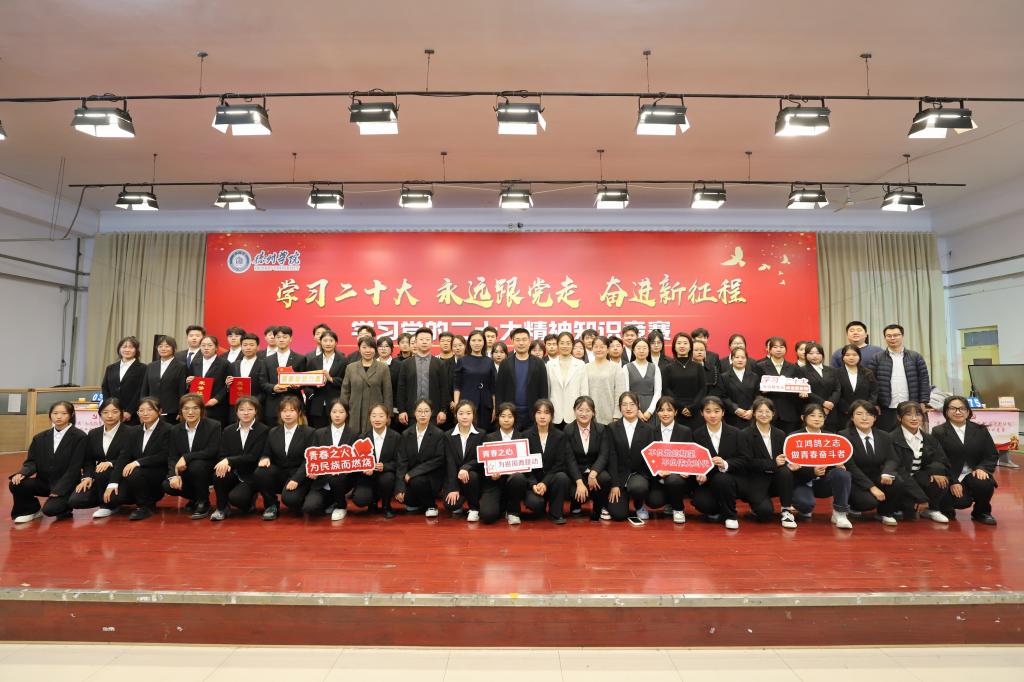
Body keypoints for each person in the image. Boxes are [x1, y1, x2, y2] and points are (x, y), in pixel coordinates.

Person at [8, 401, 87, 523]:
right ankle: (31, 510)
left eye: (63, 413)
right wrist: (22, 473)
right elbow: (32, 462)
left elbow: (74, 468)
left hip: (66, 485)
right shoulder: (40, 438)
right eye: (55, 413)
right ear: (50, 415)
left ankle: (65, 508)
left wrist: (59, 489)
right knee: (16, 483)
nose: (59, 417)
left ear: (71, 415)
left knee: (50, 510)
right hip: (44, 483)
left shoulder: (80, 437)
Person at [930, 395, 999, 525]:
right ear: (946, 411)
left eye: (962, 408)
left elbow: (991, 454)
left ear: (968, 411)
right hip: (951, 475)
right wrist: (953, 482)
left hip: (972, 473)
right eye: (953, 408)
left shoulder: (980, 430)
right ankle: (945, 508)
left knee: (984, 483)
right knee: (961, 502)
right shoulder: (938, 432)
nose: (958, 412)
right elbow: (939, 459)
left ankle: (982, 512)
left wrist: (982, 468)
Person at [105, 397, 173, 520]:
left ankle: (145, 506)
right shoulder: (134, 431)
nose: (145, 413)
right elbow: (124, 457)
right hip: (137, 475)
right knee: (114, 498)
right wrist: (112, 483)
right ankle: (139, 498)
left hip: (158, 473)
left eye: (150, 410)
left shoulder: (168, 429)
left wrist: (138, 462)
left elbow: (165, 455)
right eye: (141, 410)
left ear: (159, 411)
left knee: (135, 472)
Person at [70, 398, 138, 518]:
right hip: (100, 477)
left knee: (106, 476)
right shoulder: (93, 433)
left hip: (122, 475)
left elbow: (132, 457)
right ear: (100, 414)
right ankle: (105, 499)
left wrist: (111, 463)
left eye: (115, 412)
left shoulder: (131, 432)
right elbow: (89, 460)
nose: (110, 415)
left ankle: (107, 505)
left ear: (121, 413)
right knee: (76, 500)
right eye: (105, 412)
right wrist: (87, 476)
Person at [790, 404, 854, 529]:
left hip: (824, 482)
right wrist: (812, 471)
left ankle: (840, 513)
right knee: (805, 505)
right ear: (803, 418)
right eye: (812, 415)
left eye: (820, 416)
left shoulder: (831, 437)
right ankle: (802, 507)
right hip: (802, 481)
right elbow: (791, 467)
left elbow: (837, 458)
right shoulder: (794, 437)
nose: (817, 419)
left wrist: (838, 464)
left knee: (842, 474)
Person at [841, 399, 905, 526]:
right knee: (868, 502)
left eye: (869, 414)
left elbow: (892, 459)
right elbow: (850, 466)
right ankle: (853, 506)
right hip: (856, 481)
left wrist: (887, 473)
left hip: (877, 476)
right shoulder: (844, 436)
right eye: (859, 414)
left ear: (875, 418)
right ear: (852, 417)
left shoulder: (884, 436)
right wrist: (872, 487)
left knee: (896, 480)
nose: (864, 418)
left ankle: (885, 513)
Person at [691, 396, 751, 529]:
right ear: (701, 413)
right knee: (702, 503)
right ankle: (719, 509)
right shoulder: (697, 434)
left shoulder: (736, 433)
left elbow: (745, 459)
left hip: (732, 478)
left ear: (723, 412)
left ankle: (731, 516)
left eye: (717, 411)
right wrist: (700, 473)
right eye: (708, 411)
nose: (712, 415)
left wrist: (726, 464)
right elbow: (695, 460)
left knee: (722, 479)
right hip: (708, 480)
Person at [889, 401, 953, 524]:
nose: (914, 418)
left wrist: (936, 471)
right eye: (909, 414)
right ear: (899, 417)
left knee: (940, 478)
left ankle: (932, 509)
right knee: (908, 513)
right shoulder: (891, 438)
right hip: (900, 480)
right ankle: (905, 506)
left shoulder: (929, 438)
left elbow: (940, 459)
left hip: (918, 478)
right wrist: (922, 498)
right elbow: (899, 470)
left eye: (918, 414)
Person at [740, 397, 800, 528]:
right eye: (760, 411)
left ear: (773, 414)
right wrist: (773, 463)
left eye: (767, 411)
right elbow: (746, 463)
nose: (764, 414)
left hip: (776, 478)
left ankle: (786, 510)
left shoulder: (780, 434)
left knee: (785, 472)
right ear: (754, 413)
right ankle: (756, 506)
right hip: (756, 480)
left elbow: (784, 458)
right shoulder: (745, 434)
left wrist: (789, 464)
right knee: (765, 513)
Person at [254, 396, 316, 520]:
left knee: (291, 500)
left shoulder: (309, 432)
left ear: (299, 412)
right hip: (280, 473)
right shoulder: (273, 432)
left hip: (299, 475)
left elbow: (309, 460)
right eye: (284, 411)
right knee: (260, 472)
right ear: (280, 413)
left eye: (292, 410)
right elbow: (266, 452)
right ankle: (271, 505)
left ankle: (303, 498)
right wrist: (265, 458)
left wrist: (296, 479)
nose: (288, 414)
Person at [509, 399, 571, 524]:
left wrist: (545, 483)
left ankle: (556, 513)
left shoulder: (560, 436)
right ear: (534, 415)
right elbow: (524, 465)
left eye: (546, 413)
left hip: (551, 481)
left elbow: (560, 464)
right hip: (533, 483)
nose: (542, 416)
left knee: (562, 477)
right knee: (536, 504)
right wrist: (533, 484)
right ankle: (536, 505)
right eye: (539, 412)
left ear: (551, 416)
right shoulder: (525, 435)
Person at [162, 393, 222, 520]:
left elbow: (211, 451)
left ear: (201, 410)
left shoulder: (214, 425)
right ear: (181, 411)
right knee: (168, 485)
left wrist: (186, 457)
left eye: (195, 408)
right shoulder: (175, 430)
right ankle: (195, 497)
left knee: (197, 465)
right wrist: (173, 475)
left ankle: (203, 502)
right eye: (186, 408)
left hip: (207, 468)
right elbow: (173, 456)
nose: (190, 412)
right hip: (185, 470)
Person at [210, 396, 269, 521]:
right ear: (236, 412)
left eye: (250, 409)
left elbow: (254, 456)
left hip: (250, 475)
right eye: (242, 409)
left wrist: (230, 460)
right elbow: (222, 454)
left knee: (237, 499)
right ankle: (221, 508)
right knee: (218, 473)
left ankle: (250, 501)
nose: (246, 413)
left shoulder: (263, 430)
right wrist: (226, 463)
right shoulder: (228, 430)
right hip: (233, 471)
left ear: (256, 411)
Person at [865, 324, 932, 431]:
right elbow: (871, 383)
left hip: (910, 405)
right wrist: (874, 403)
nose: (892, 338)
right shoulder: (877, 358)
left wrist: (923, 401)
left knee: (910, 435)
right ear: (885, 338)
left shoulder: (915, 356)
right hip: (885, 407)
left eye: (896, 335)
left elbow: (924, 379)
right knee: (887, 436)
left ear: (902, 336)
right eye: (889, 336)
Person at [605, 391, 659, 522]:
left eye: (632, 404)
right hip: (619, 476)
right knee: (618, 515)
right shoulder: (611, 428)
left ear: (638, 406)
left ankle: (639, 504)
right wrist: (614, 484)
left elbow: (651, 456)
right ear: (619, 408)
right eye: (624, 405)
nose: (628, 408)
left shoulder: (648, 429)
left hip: (639, 474)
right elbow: (611, 457)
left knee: (638, 487)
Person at [305, 398, 358, 521]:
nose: (337, 415)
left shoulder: (354, 434)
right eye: (334, 412)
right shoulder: (319, 433)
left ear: (347, 414)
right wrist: (312, 469)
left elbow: (355, 461)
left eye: (341, 412)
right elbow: (313, 456)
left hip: (343, 480)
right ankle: (331, 500)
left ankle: (341, 505)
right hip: (322, 480)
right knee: (310, 508)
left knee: (336, 478)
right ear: (329, 413)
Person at [563, 396, 613, 521]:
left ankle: (599, 506)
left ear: (593, 412)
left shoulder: (601, 429)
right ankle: (576, 503)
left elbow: (603, 455)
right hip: (577, 471)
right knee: (569, 485)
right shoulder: (568, 430)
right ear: (574, 411)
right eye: (580, 410)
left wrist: (593, 473)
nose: (584, 414)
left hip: (594, 469)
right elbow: (569, 459)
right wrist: (579, 482)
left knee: (605, 478)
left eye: (588, 410)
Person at [395, 399, 446, 518]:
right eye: (419, 411)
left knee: (417, 481)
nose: (423, 414)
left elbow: (439, 459)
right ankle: (420, 502)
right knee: (404, 497)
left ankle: (431, 506)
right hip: (411, 479)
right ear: (414, 413)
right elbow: (402, 462)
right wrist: (400, 487)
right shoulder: (406, 434)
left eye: (426, 411)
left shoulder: (438, 434)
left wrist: (412, 473)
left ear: (431, 413)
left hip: (431, 477)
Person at [478, 402, 524, 524]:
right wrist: (491, 475)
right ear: (498, 417)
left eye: (510, 416)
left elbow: (526, 464)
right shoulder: (489, 438)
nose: (506, 420)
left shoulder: (522, 437)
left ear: (515, 418)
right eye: (503, 416)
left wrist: (517, 471)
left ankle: (513, 511)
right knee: (487, 516)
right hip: (494, 484)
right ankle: (502, 507)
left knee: (518, 478)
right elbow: (483, 465)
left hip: (514, 482)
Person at [351, 403, 400, 518]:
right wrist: (363, 468)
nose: (377, 419)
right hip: (367, 478)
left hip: (386, 476)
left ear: (387, 418)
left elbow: (399, 462)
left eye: (381, 416)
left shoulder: (396, 437)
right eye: (373, 416)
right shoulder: (362, 438)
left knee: (387, 478)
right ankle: (372, 503)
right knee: (360, 499)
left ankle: (386, 506)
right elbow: (355, 462)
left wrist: (385, 466)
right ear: (369, 418)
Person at [495, 328, 550, 430]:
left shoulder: (539, 363)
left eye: (524, 339)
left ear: (529, 342)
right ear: (512, 342)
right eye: (518, 340)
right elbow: (499, 391)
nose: (521, 343)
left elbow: (543, 390)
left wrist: (542, 411)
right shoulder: (505, 363)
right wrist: (500, 412)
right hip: (510, 413)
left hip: (532, 413)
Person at [651, 396, 694, 524]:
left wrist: (686, 470)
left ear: (675, 412)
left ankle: (678, 508)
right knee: (653, 501)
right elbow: (649, 458)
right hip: (659, 478)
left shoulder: (686, 431)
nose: (665, 413)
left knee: (674, 480)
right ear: (657, 413)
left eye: (669, 410)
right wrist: (658, 470)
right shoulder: (651, 432)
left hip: (678, 478)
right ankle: (669, 502)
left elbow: (690, 456)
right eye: (661, 410)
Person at [397, 327, 451, 428]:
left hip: (434, 414)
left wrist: (443, 411)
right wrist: (402, 410)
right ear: (416, 342)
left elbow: (444, 389)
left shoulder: (439, 364)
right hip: (411, 413)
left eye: (427, 339)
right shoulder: (406, 364)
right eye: (421, 339)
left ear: (432, 342)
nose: (424, 342)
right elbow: (401, 389)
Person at [443, 400, 487, 520]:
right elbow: (450, 462)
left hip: (474, 479)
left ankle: (474, 508)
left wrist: (466, 467)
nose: (464, 417)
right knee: (450, 505)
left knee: (471, 475)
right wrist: (453, 488)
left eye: (468, 413)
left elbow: (481, 459)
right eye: (461, 413)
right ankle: (462, 498)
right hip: (456, 478)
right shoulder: (448, 435)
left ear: (473, 415)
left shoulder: (481, 434)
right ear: (455, 415)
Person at [341, 336, 393, 434]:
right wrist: (344, 411)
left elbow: (387, 393)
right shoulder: (351, 368)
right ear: (359, 349)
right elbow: (345, 392)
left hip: (375, 413)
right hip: (354, 411)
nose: (368, 350)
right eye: (364, 347)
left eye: (371, 347)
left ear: (375, 349)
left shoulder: (383, 368)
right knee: (353, 437)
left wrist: (388, 414)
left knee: (372, 437)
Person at [753, 337, 802, 433]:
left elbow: (798, 386)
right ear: (769, 350)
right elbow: (755, 386)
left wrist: (802, 391)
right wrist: (762, 389)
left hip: (789, 411)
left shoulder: (793, 368)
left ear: (786, 349)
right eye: (775, 347)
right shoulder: (760, 366)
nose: (778, 349)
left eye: (781, 347)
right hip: (767, 411)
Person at [261, 325, 307, 426]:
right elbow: (263, 382)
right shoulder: (266, 360)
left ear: (291, 339)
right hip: (273, 405)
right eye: (278, 337)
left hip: (294, 404)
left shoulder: (300, 358)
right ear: (274, 339)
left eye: (285, 337)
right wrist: (273, 388)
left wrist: (298, 385)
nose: (281, 340)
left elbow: (304, 381)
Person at [662, 332, 707, 431]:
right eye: (679, 343)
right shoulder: (668, 368)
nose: (682, 346)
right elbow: (666, 389)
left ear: (690, 347)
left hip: (695, 410)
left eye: (685, 343)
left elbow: (703, 389)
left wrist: (692, 407)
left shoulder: (698, 367)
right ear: (674, 347)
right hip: (676, 411)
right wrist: (680, 407)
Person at [452, 330, 497, 430]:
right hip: (467, 403)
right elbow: (457, 385)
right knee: (468, 430)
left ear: (484, 342)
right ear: (469, 343)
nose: (477, 343)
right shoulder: (462, 360)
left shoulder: (489, 361)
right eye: (474, 340)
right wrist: (457, 405)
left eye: (480, 340)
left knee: (485, 431)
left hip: (486, 404)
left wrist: (495, 407)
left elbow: (493, 387)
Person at [140, 335, 188, 423]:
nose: (163, 349)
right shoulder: (151, 366)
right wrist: (142, 408)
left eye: (167, 346)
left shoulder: (181, 366)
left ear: (174, 348)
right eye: (160, 346)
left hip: (172, 411)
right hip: (151, 410)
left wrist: (181, 410)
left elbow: (182, 391)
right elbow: (144, 389)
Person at [305, 330, 347, 429]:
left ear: (336, 342)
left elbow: (346, 382)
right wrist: (313, 388)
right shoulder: (313, 361)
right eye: (325, 340)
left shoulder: (343, 361)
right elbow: (307, 382)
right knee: (318, 432)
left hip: (336, 404)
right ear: (320, 342)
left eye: (331, 341)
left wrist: (331, 379)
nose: (328, 343)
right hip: (317, 404)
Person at [547, 331, 589, 428]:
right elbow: (548, 391)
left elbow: (584, 391)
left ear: (572, 345)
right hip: (555, 414)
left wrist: (583, 411)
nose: (565, 346)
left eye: (568, 343)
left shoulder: (580, 364)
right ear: (557, 345)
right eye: (562, 343)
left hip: (574, 414)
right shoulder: (550, 365)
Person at [101, 336, 146, 424]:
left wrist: (130, 411)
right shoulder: (111, 368)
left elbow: (141, 391)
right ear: (119, 349)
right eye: (124, 347)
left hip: (132, 415)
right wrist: (109, 408)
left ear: (136, 350)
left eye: (131, 347)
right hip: (112, 413)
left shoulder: (143, 368)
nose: (127, 350)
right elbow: (105, 388)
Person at [186, 335, 230, 425]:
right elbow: (191, 382)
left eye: (210, 345)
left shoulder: (224, 364)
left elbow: (228, 385)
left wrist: (217, 399)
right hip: (197, 404)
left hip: (217, 406)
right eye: (203, 345)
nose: (206, 348)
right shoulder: (195, 362)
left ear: (216, 347)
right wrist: (189, 382)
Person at [226, 332, 269, 423]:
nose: (248, 348)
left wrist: (253, 402)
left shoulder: (264, 364)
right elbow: (229, 389)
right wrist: (228, 385)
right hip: (236, 408)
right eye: (245, 345)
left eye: (251, 345)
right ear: (241, 347)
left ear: (258, 347)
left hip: (256, 408)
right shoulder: (233, 365)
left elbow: (265, 388)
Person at [584, 336, 627, 425]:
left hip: (610, 414)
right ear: (592, 349)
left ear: (608, 349)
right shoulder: (585, 368)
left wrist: (617, 414)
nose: (599, 349)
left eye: (602, 347)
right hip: (589, 414)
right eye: (596, 347)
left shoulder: (616, 368)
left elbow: (620, 393)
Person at [800, 342, 842, 431]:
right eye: (811, 353)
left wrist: (829, 404)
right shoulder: (801, 370)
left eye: (818, 353)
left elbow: (837, 389)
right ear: (806, 355)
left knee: (830, 435)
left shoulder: (831, 370)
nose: (815, 356)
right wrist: (823, 403)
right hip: (812, 409)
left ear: (822, 355)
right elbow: (805, 390)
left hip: (831, 410)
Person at [835, 344, 879, 425]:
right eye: (847, 355)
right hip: (843, 413)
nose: (851, 357)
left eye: (854, 355)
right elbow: (836, 393)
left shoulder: (868, 373)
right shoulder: (836, 373)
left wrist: (867, 407)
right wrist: (848, 410)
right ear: (843, 357)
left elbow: (874, 391)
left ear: (859, 357)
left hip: (865, 413)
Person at [621, 337, 661, 422]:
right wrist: (637, 411)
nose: (641, 351)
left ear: (649, 350)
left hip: (652, 407)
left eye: (644, 348)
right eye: (638, 348)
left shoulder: (655, 368)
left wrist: (650, 412)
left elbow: (658, 392)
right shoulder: (626, 367)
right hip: (632, 407)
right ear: (633, 350)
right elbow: (626, 392)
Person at [720, 347, 760, 429]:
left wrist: (752, 410)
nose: (740, 360)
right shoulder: (724, 377)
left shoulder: (754, 376)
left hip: (750, 416)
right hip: (732, 417)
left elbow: (758, 395)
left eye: (743, 357)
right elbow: (723, 396)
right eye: (737, 357)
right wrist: (735, 409)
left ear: (747, 359)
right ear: (732, 359)